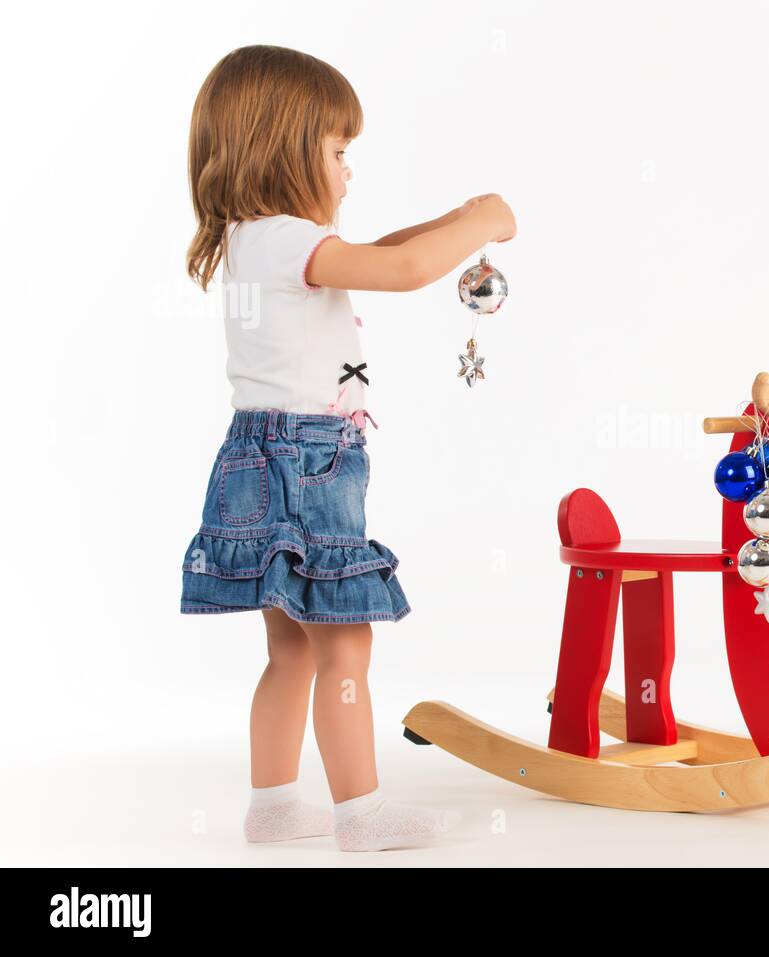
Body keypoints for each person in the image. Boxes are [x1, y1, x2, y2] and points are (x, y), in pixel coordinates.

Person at [180, 45, 515, 852]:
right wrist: (485, 221)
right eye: (338, 151)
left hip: (258, 455)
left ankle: (272, 807)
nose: (348, 171)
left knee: (289, 649)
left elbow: (387, 251)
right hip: (309, 457)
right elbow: (399, 270)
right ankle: (361, 815)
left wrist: (449, 219)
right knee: (344, 642)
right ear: (284, 146)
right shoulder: (289, 240)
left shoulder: (254, 239)